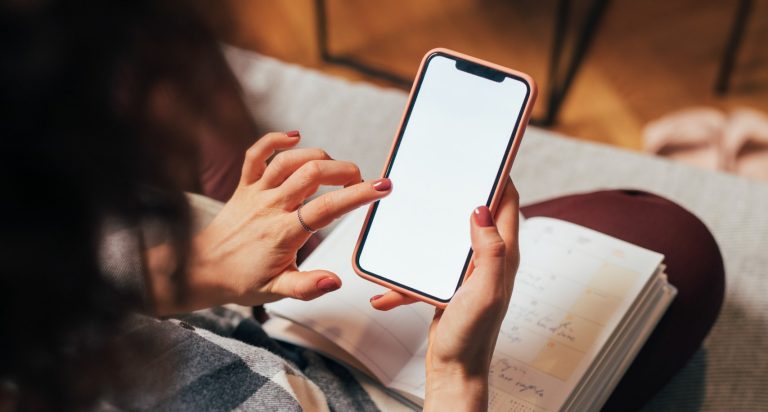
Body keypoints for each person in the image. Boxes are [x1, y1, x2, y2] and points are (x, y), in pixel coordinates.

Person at [0, 1, 723, 411]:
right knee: (670, 239)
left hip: (206, 301)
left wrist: (187, 273)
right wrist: (459, 374)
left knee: (152, 65)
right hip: (320, 382)